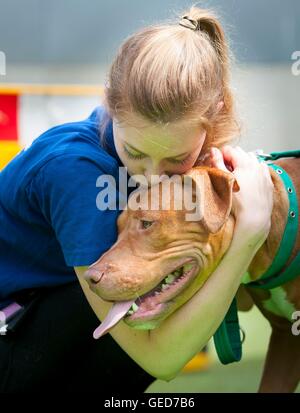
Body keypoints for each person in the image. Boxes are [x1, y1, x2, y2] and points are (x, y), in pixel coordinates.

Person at [0, 5, 273, 392]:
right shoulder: (77, 173)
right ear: (112, 107)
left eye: (176, 159)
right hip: (10, 330)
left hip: (43, 317)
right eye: (136, 154)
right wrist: (248, 234)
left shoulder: (197, 164)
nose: (152, 176)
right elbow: (161, 359)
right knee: (125, 289)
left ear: (210, 124)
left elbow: (240, 301)